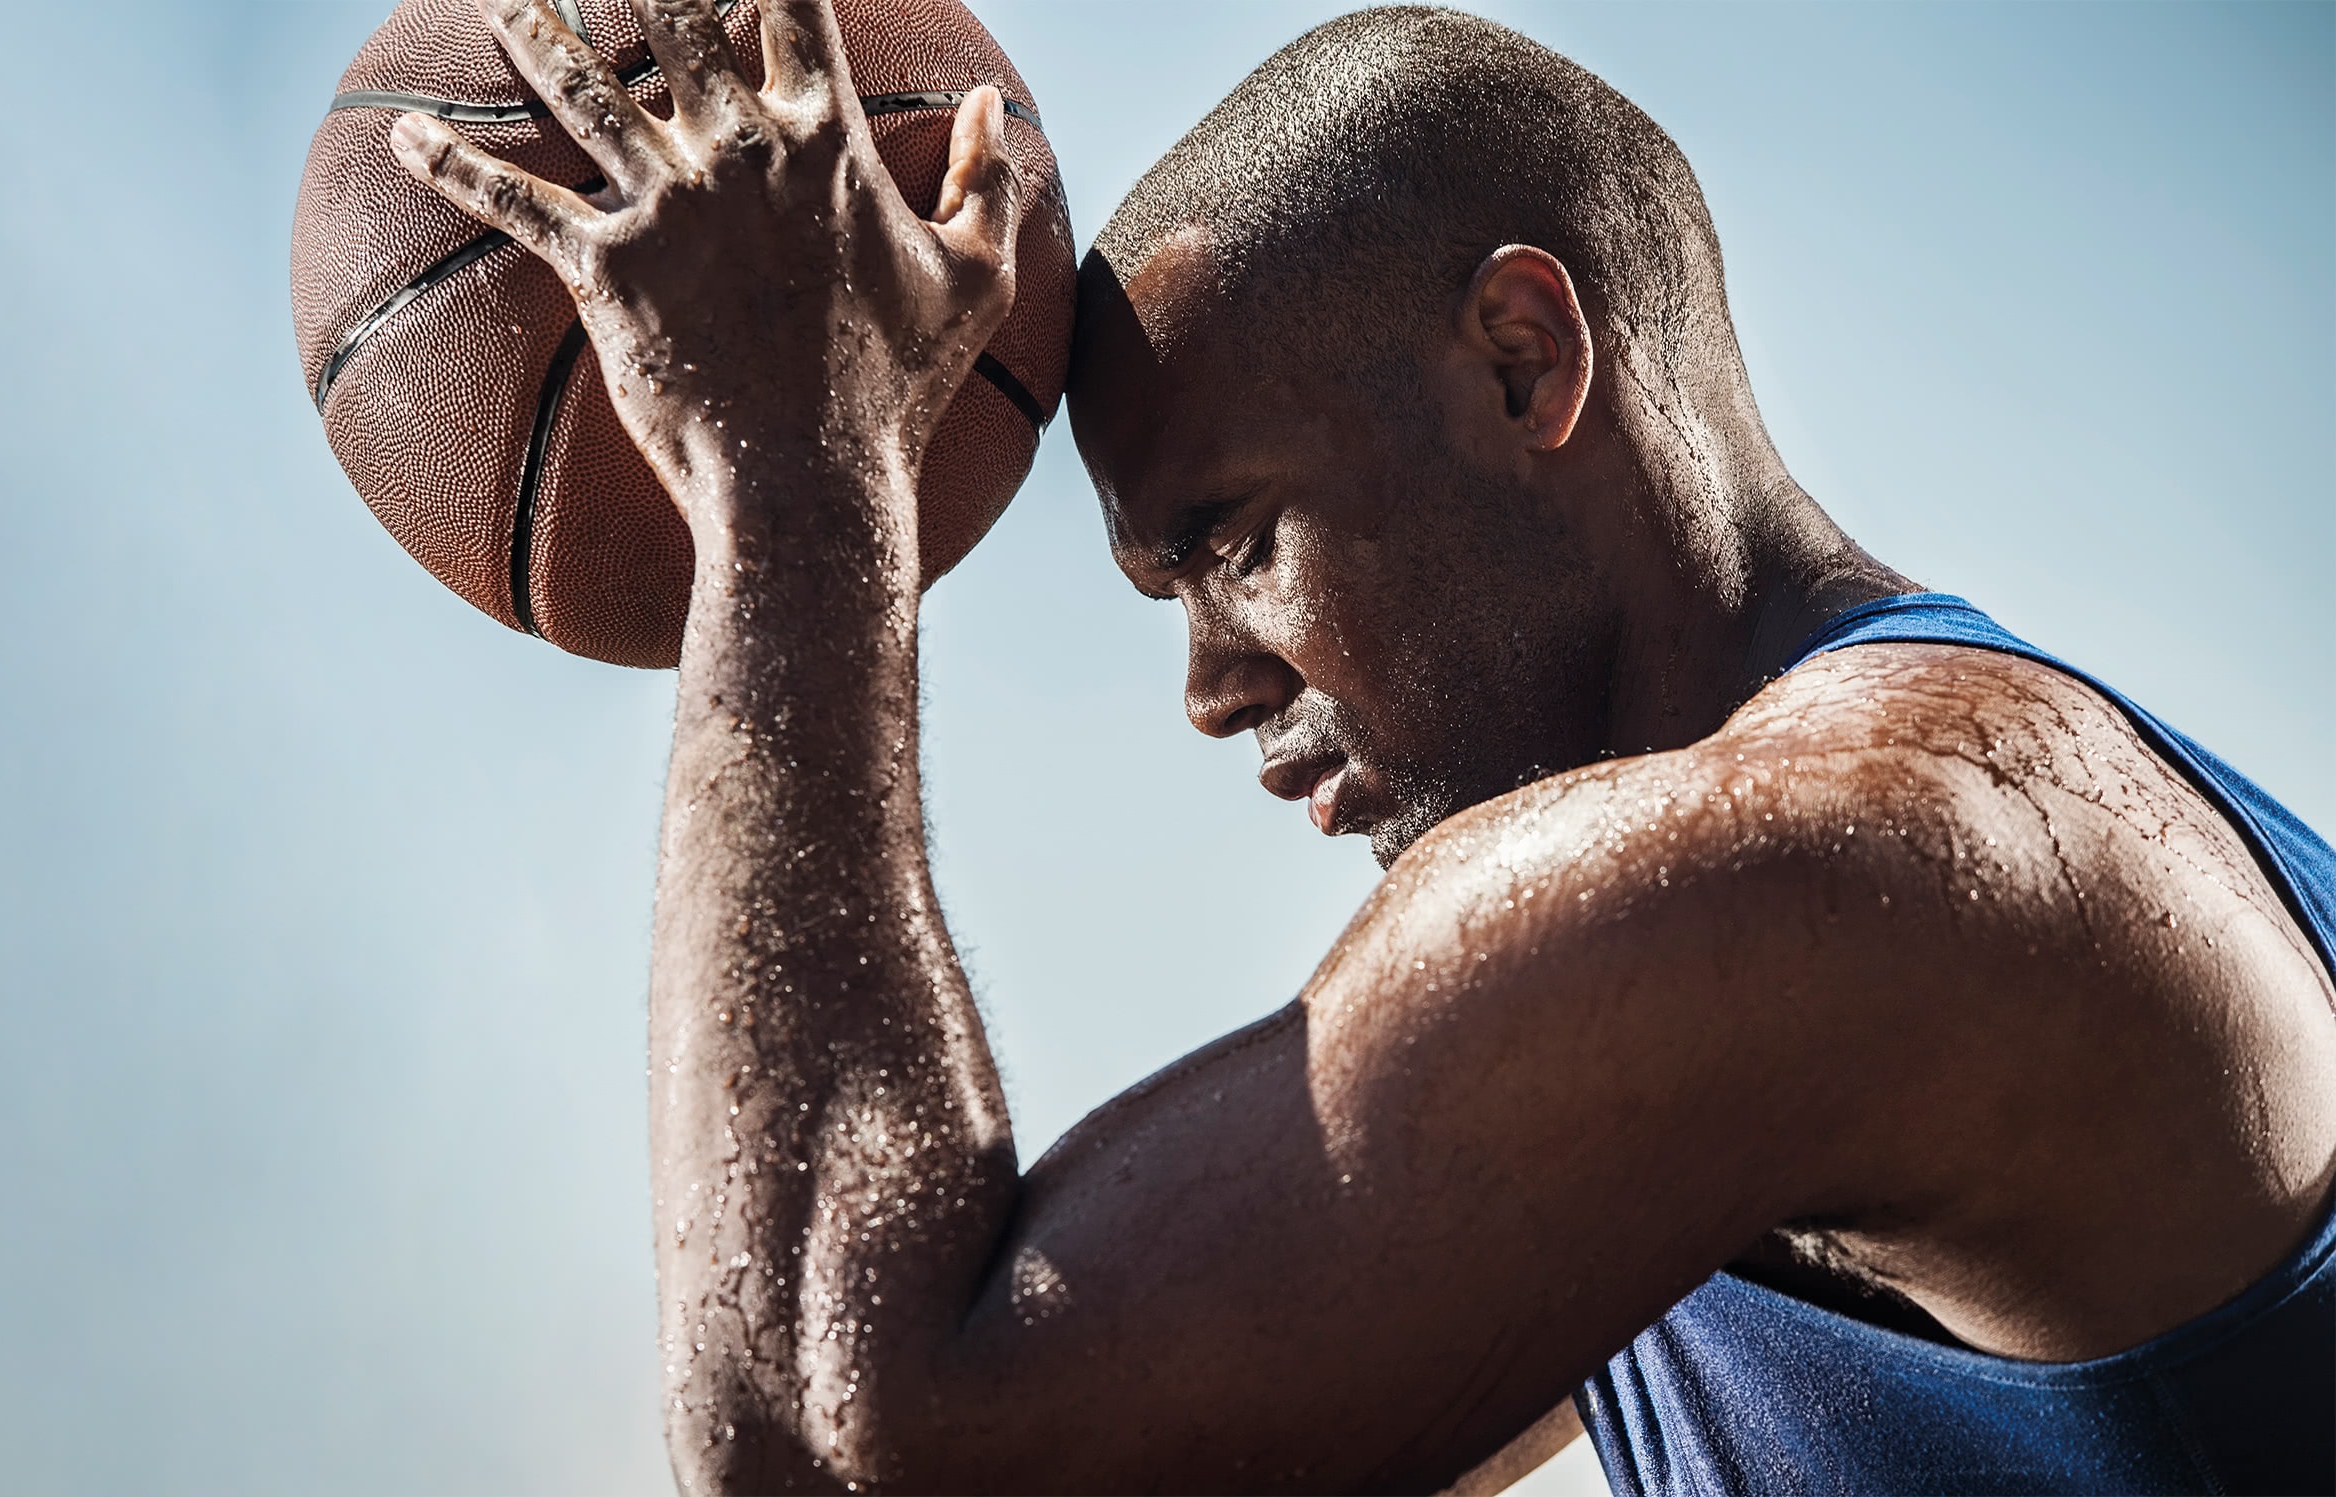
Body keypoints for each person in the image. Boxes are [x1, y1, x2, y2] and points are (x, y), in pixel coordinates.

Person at [384, 1, 2336, 1490]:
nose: (1211, 690)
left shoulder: (1857, 860)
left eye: (1236, 543)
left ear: (1522, 358)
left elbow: (839, 1437)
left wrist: (795, 468)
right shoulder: (1781, 951)